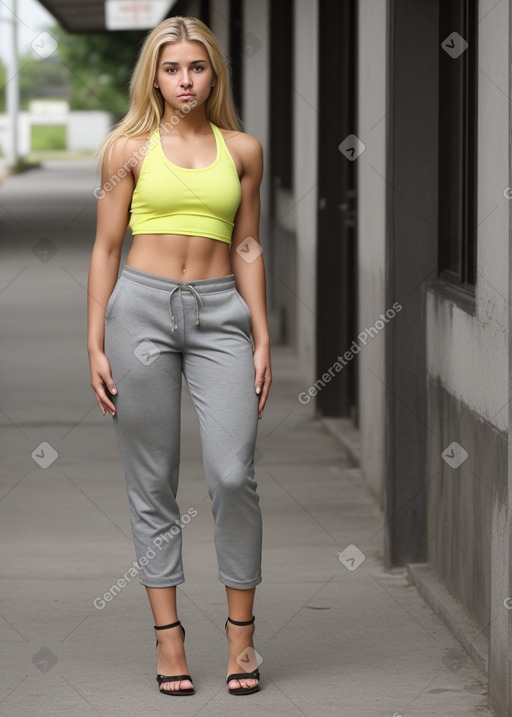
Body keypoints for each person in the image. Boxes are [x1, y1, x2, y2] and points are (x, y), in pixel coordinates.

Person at [87, 15, 271, 697]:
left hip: (221, 312)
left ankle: (241, 636)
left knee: (231, 472)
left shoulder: (243, 150)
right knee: (152, 479)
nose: (185, 80)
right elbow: (107, 248)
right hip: (140, 313)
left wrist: (260, 331)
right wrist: (94, 338)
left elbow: (247, 243)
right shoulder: (127, 150)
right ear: (154, 76)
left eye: (196, 67)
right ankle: (169, 639)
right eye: (171, 69)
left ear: (213, 72)